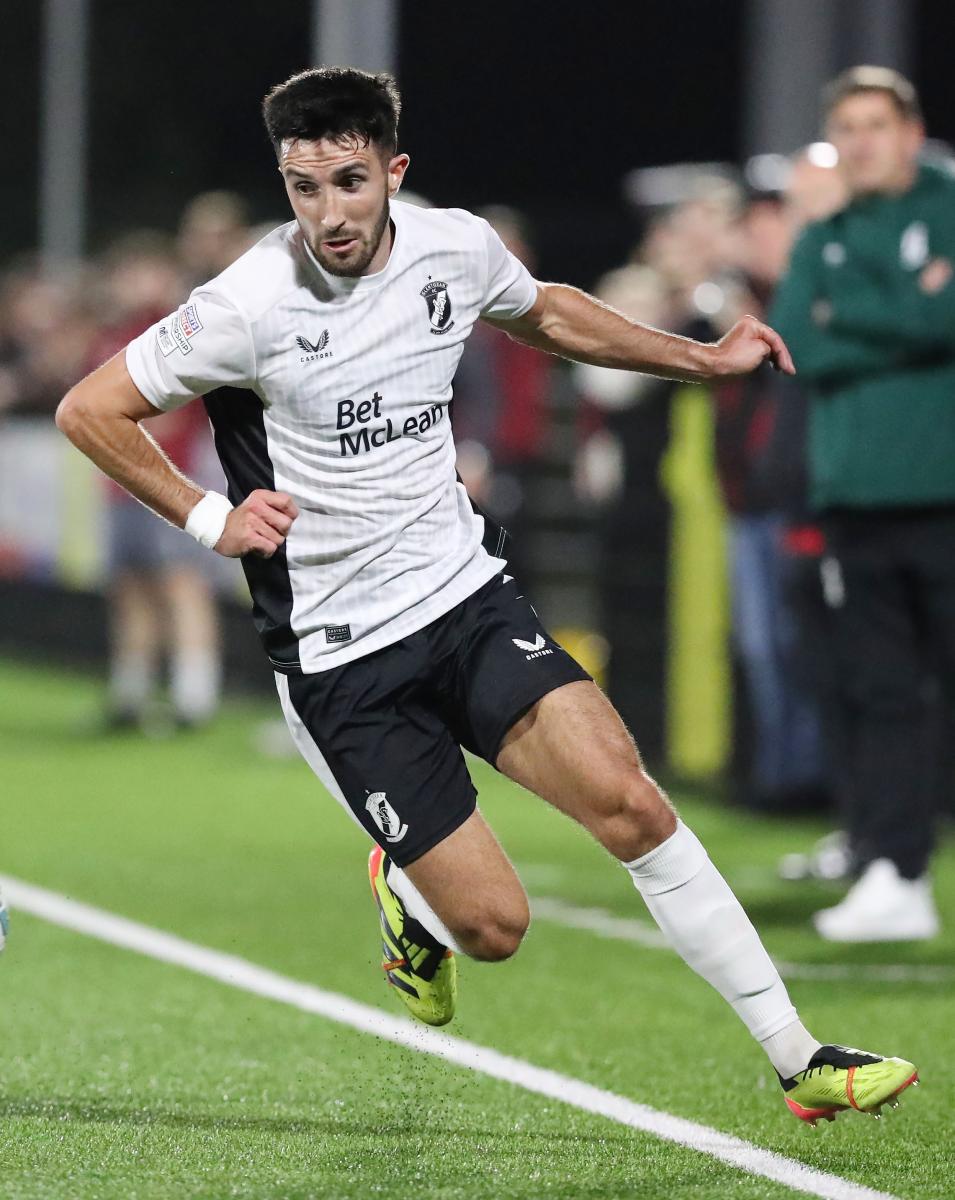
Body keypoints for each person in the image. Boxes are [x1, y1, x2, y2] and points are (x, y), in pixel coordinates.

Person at [56, 66, 916, 1123]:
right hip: (340, 658)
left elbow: (544, 312)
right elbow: (90, 409)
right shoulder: (245, 303)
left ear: (394, 172)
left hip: (466, 602)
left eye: (349, 182)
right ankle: (409, 894)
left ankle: (798, 1056)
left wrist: (700, 359)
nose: (328, 213)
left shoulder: (452, 246)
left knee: (631, 803)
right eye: (303, 187)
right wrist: (207, 518)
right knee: (494, 929)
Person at [770, 67, 955, 941]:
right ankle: (895, 872)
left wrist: (848, 314)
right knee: (879, 695)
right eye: (845, 127)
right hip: (853, 501)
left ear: (910, 132)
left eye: (874, 124)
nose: (860, 142)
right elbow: (795, 342)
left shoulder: (946, 205)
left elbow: (944, 321)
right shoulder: (822, 232)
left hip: (944, 492)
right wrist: (906, 311)